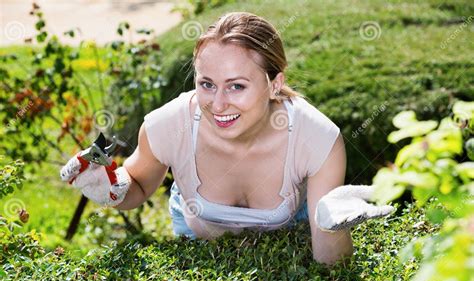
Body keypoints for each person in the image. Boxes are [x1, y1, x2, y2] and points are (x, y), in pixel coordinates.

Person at [60, 12, 393, 265]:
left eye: (237, 86)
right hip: (199, 240)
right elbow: (139, 185)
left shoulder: (316, 138)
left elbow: (330, 264)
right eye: (207, 84)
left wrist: (332, 226)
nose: (218, 105)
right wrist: (111, 187)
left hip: (285, 238)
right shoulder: (169, 124)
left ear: (275, 83)